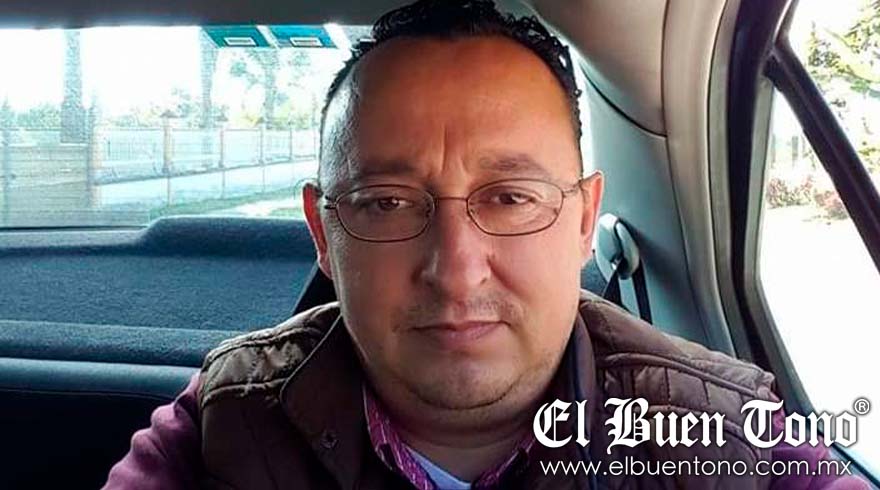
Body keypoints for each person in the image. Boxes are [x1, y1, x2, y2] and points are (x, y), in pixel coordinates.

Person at [103, 1, 870, 488]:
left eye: (510, 198)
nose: (456, 269)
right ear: (323, 235)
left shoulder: (726, 437)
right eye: (386, 203)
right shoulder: (225, 422)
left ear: (583, 220)